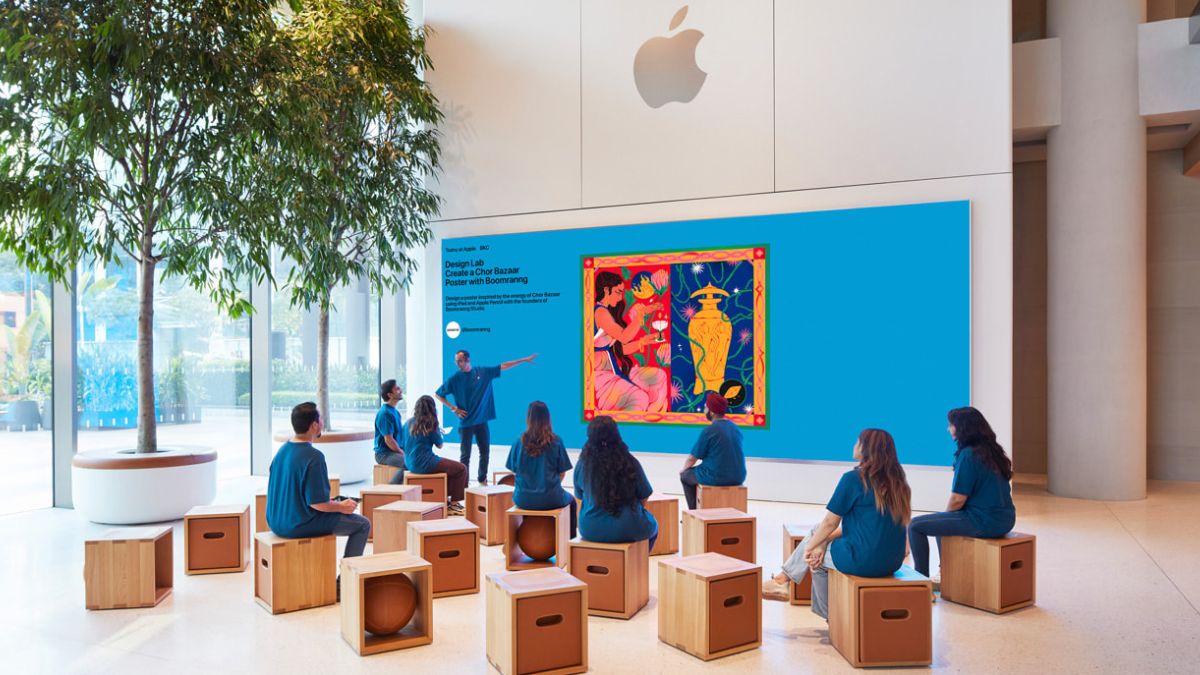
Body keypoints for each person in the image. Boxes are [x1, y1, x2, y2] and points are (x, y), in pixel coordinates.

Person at [761, 429, 911, 621]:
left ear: (865, 449)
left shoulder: (854, 479)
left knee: (815, 560)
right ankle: (783, 580)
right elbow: (860, 528)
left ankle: (832, 619)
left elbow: (830, 522)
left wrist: (811, 548)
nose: (854, 445)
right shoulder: (899, 483)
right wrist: (820, 543)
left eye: (858, 442)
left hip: (863, 560)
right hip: (891, 561)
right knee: (817, 535)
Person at [908, 407, 1016, 578]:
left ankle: (921, 580)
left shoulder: (968, 455)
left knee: (915, 525)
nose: (948, 429)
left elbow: (958, 499)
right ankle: (945, 572)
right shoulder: (993, 452)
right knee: (940, 522)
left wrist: (945, 515)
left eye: (951, 425)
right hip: (1006, 519)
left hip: (984, 521)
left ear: (962, 427)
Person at [266, 402, 371, 563]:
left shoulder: (282, 451)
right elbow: (318, 504)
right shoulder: (314, 457)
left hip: (275, 521)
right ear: (314, 425)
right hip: (298, 524)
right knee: (362, 524)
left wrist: (333, 503)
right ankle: (346, 576)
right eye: (320, 418)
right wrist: (341, 506)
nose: (323, 421)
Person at [435, 349, 537, 485]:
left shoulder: (482, 372)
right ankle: (464, 484)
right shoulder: (455, 379)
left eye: (459, 361)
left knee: (485, 452)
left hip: (482, 422)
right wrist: (453, 408)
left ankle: (482, 480)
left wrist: (523, 360)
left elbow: (504, 365)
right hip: (465, 424)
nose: (457, 364)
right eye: (456, 361)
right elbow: (438, 394)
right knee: (465, 456)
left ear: (467, 360)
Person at [573, 415, 658, 551]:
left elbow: (579, 497)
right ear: (616, 434)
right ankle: (639, 561)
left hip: (590, 529)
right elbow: (644, 494)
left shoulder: (583, 464)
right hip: (628, 527)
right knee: (653, 525)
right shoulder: (630, 462)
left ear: (590, 437)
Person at [592, 270, 669, 412]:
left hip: (615, 370)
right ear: (606, 290)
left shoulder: (606, 312)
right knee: (640, 398)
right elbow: (624, 337)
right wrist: (641, 314)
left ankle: (651, 415)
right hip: (601, 377)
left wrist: (643, 341)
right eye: (618, 292)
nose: (620, 297)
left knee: (659, 377)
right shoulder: (600, 312)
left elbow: (619, 349)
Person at [505, 401, 577, 538]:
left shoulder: (518, 442)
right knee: (572, 501)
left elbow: (514, 471)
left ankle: (525, 539)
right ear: (548, 418)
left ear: (528, 418)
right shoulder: (556, 441)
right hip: (551, 498)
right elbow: (562, 472)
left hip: (523, 499)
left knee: (528, 503)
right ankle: (570, 542)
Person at [679, 392, 747, 509]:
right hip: (739, 476)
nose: (704, 410)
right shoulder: (735, 428)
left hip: (717, 477)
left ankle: (694, 512)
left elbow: (692, 458)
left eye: (705, 407)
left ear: (712, 412)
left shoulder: (709, 430)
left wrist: (683, 470)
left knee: (685, 476)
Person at [404, 395, 467, 515]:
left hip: (409, 463)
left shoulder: (407, 423)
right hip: (425, 462)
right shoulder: (431, 423)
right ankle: (454, 505)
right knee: (461, 469)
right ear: (433, 408)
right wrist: (438, 431)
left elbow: (403, 443)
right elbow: (440, 445)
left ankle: (446, 499)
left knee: (450, 470)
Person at [373, 379, 406, 485]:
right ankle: (391, 488)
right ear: (390, 395)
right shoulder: (385, 413)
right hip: (384, 454)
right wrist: (402, 452)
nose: (401, 390)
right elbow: (389, 440)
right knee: (408, 463)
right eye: (397, 389)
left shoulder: (395, 412)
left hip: (394, 452)